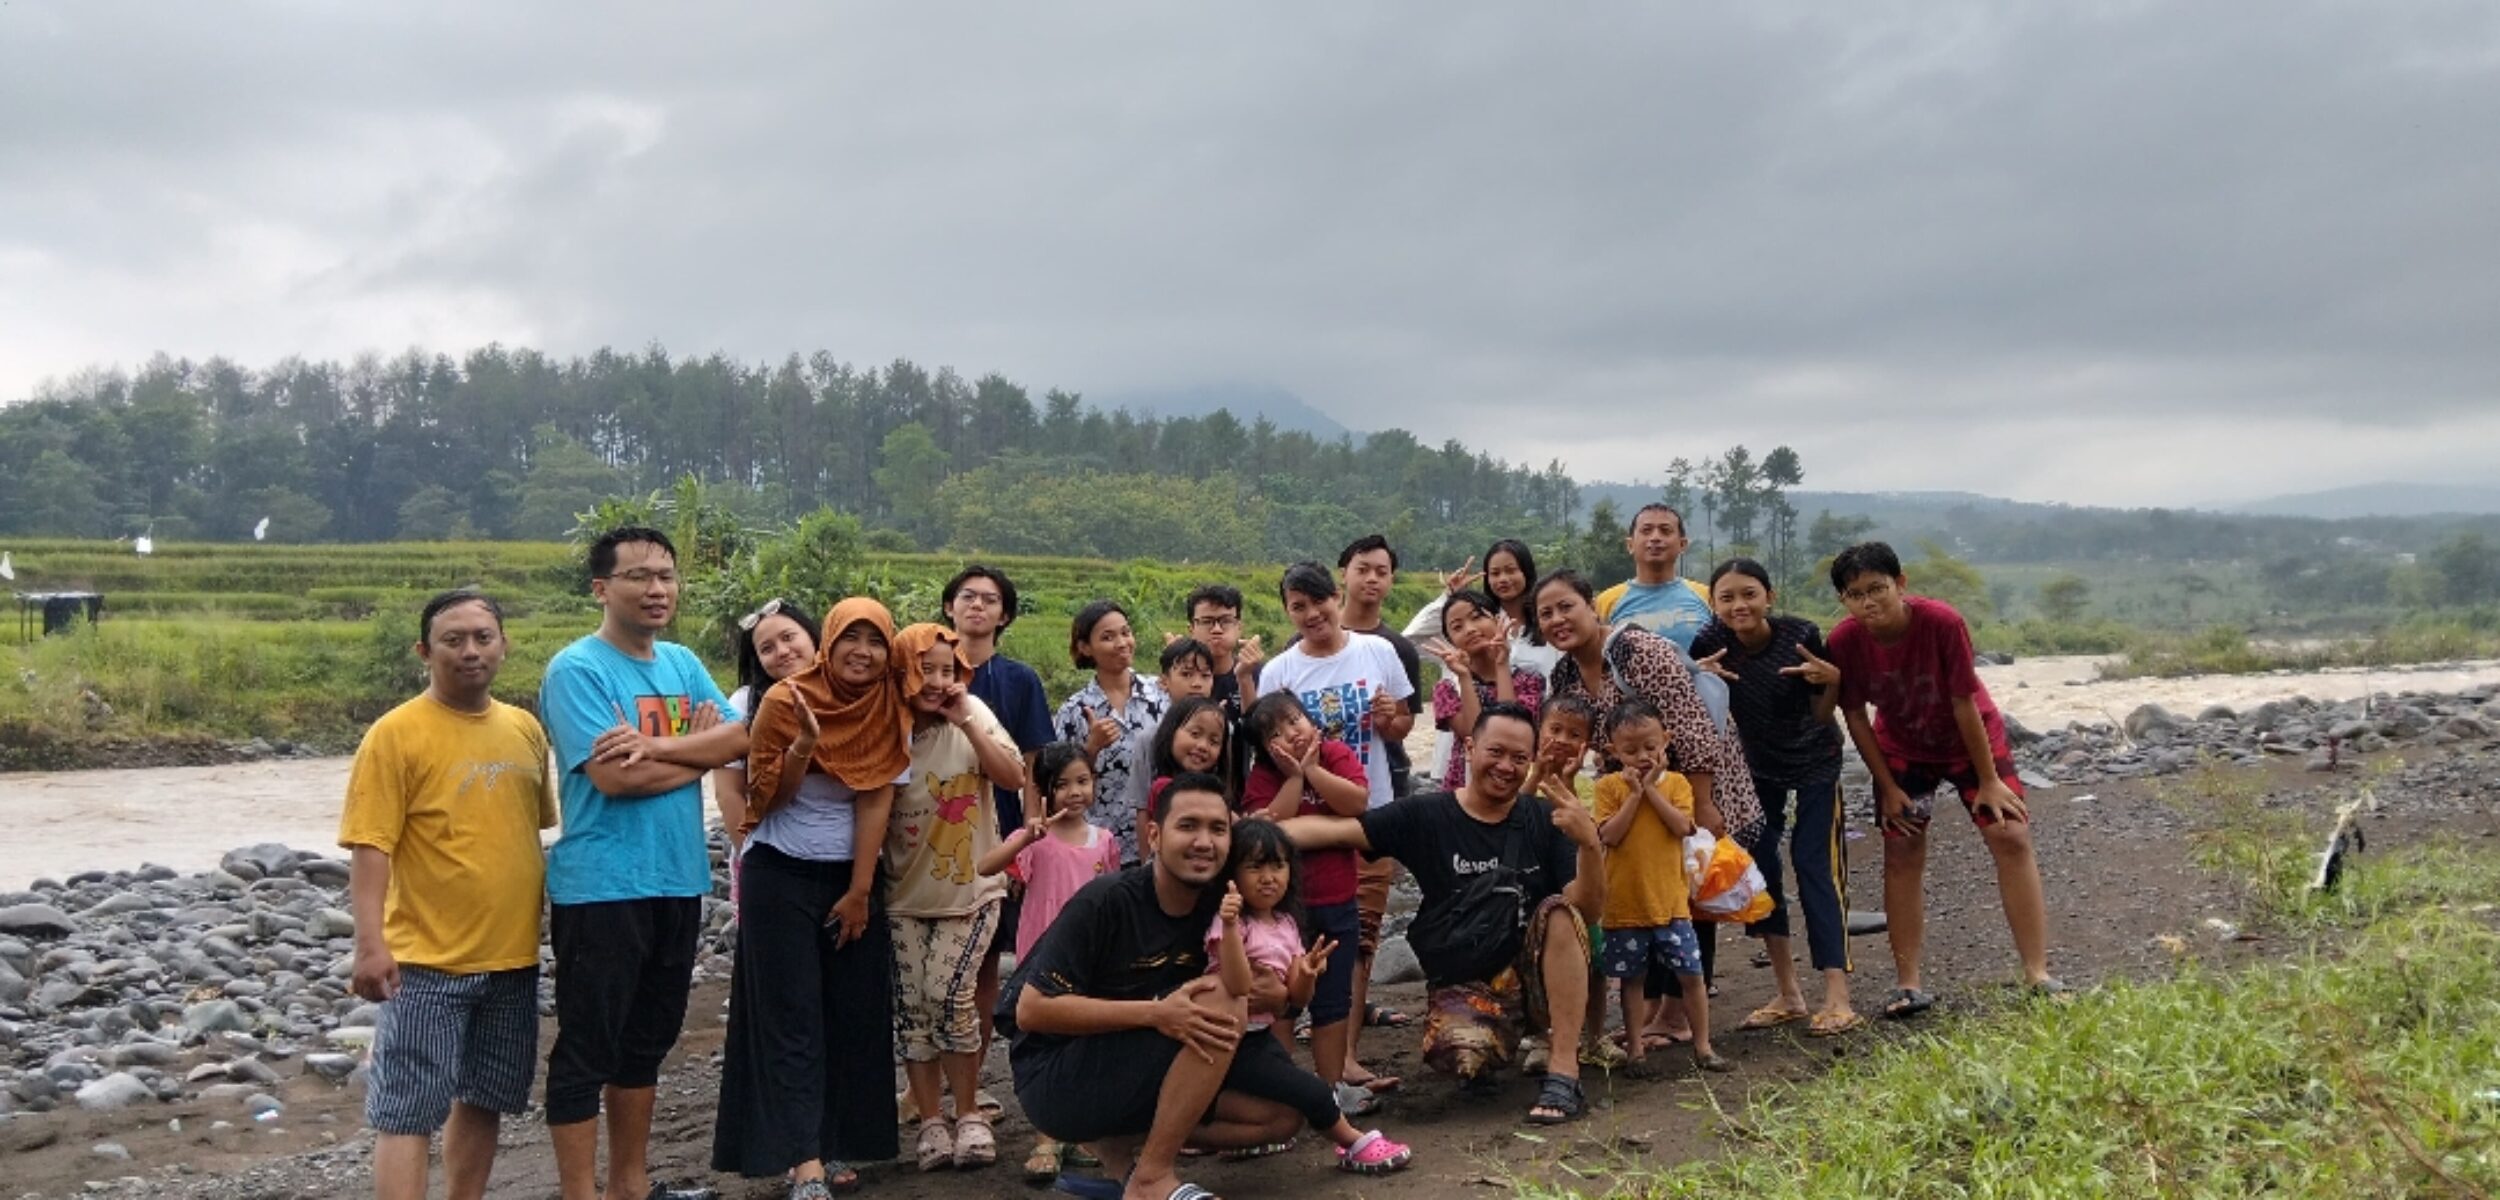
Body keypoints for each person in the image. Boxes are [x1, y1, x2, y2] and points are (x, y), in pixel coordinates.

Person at [1001, 774, 1345, 1200]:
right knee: (1221, 998)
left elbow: (1265, 993)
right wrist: (1157, 1011)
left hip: (1144, 1055)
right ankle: (1153, 1178)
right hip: (1055, 1075)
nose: (1204, 841)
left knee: (1280, 1115)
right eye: (1188, 826)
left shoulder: (1221, 909)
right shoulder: (1107, 901)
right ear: (1154, 834)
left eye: (1218, 829)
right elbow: (1032, 1012)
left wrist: (1283, 993)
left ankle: (1126, 1165)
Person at [537, 527, 750, 1200]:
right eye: (639, 576)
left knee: (646, 1041)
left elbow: (743, 736)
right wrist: (693, 751)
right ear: (602, 588)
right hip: (602, 885)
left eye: (666, 575)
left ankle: (631, 1185)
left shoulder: (682, 664)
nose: (657, 589)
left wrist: (655, 752)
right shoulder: (578, 670)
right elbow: (612, 780)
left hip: (678, 878)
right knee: (587, 1044)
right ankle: (580, 1192)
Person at [1280, 703, 1606, 1126]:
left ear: (1532, 761)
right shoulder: (1426, 814)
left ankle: (1564, 1068)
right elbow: (1335, 831)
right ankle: (1496, 1042)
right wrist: (1241, 834)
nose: (1506, 767)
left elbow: (1590, 912)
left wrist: (1590, 847)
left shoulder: (1545, 818)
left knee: (1561, 912)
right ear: (1469, 748)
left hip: (1541, 979)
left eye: (1519, 758)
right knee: (1461, 1056)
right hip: (1469, 981)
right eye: (1496, 752)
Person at [341, 590, 556, 1200]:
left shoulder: (525, 729)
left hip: (511, 959)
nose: (470, 652)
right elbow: (369, 846)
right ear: (424, 651)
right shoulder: (395, 734)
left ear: (504, 645)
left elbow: (530, 834)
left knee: (485, 1097)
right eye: (453, 640)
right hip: (426, 963)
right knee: (407, 1110)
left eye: (483, 638)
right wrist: (370, 946)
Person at [711, 599, 911, 1195]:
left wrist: (859, 890)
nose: (863, 652)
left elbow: (877, 796)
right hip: (780, 874)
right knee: (790, 1014)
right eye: (849, 639)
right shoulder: (773, 702)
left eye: (874, 641)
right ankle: (804, 1160)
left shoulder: (886, 701)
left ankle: (835, 1140)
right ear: (830, 643)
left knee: (850, 1012)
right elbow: (760, 802)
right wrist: (802, 746)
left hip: (850, 878)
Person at [1822, 542, 2062, 1015]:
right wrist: (1888, 788)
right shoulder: (1846, 640)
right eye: (1855, 594)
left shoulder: (1941, 622)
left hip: (1970, 742)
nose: (1869, 602)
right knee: (1903, 847)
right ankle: (1908, 984)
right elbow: (1854, 714)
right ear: (1843, 600)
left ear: (1901, 584)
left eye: (1878, 589)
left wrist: (1989, 780)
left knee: (2010, 836)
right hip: (1903, 747)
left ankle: (2037, 972)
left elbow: (1963, 703)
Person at [1533, 566, 1761, 1048]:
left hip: (1692, 785)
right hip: (1637, 797)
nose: (1557, 619)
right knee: (1650, 887)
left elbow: (1695, 726)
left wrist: (1701, 802)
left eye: (1566, 606)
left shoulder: (1642, 651)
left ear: (1592, 606)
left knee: (1691, 890)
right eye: (1546, 613)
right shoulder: (1565, 673)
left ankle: (1678, 1014)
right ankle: (1656, 1009)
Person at [1259, 559, 1418, 1082]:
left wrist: (1390, 716)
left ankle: (1344, 1059)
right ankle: (1287, 1068)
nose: (1311, 614)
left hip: (1366, 815)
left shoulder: (1378, 651)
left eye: (1317, 601)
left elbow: (1399, 727)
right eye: (1297, 607)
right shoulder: (1279, 671)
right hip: (1299, 828)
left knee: (1360, 938)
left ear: (1335, 597)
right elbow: (1265, 747)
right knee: (1288, 943)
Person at [1690, 558, 1859, 1036]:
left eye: (1749, 594)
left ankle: (1837, 996)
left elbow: (1824, 715)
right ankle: (1788, 992)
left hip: (1815, 762)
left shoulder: (1799, 634)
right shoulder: (1708, 643)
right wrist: (1695, 677)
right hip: (1754, 769)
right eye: (1727, 597)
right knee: (1761, 869)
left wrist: (1832, 683)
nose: (1739, 604)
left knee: (1815, 865)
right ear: (1714, 605)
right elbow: (1705, 709)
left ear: (1769, 597)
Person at [879, 623, 1026, 1171]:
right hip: (902, 895)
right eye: (927, 670)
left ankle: (968, 1114)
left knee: (950, 995)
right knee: (913, 1010)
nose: (940, 681)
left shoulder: (973, 714)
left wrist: (966, 719)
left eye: (949, 669)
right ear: (901, 675)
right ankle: (931, 1120)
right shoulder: (884, 729)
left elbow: (1011, 776)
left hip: (971, 890)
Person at [1206, 820, 1416, 1175]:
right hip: (1229, 1038)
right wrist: (1228, 928)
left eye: (1278, 865)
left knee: (1289, 1110)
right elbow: (1238, 985)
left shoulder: (1287, 923)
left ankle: (1206, 1138)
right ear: (1233, 874)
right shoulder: (1230, 923)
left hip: (1258, 1037)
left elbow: (1294, 1001)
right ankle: (1352, 1142)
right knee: (1314, 1092)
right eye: (1255, 867)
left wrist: (1306, 974)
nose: (1268, 877)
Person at [977, 741, 1122, 1184]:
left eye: (1083, 781)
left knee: (1083, 1044)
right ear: (1045, 792)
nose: (1075, 792)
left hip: (1091, 961)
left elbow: (1112, 901)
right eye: (1064, 785)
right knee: (1044, 1043)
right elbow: (986, 867)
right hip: (1042, 960)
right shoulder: (1037, 842)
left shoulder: (1107, 841)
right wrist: (1026, 833)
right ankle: (1045, 1137)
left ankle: (1076, 1133)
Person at [939, 565, 1057, 1098]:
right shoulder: (931, 675)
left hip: (1002, 830)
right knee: (936, 961)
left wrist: (1032, 831)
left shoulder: (1018, 680)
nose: (977, 607)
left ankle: (973, 1075)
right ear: (949, 607)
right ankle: (933, 1079)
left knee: (984, 958)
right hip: (938, 833)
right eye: (967, 597)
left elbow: (1034, 760)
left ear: (1004, 614)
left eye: (990, 600)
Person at [1240, 691, 1372, 1113]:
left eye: (1295, 721)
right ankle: (1286, 1091)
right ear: (1264, 749)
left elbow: (1356, 804)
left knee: (1333, 1001)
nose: (1291, 734)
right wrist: (1295, 779)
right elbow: (1269, 831)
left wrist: (1313, 770)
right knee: (1284, 1001)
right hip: (1284, 913)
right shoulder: (1264, 775)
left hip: (1338, 901)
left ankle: (1330, 1089)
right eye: (1276, 733)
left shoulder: (1334, 753)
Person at [1592, 698, 1730, 1075]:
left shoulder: (1678, 784)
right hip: (1624, 906)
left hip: (1671, 904)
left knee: (1692, 976)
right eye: (1631, 750)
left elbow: (1683, 827)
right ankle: (1635, 1049)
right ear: (1612, 751)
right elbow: (1609, 835)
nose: (1642, 757)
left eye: (1650, 747)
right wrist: (1635, 794)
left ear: (1665, 741)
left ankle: (1703, 1045)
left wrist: (1651, 790)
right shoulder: (1608, 788)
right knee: (1632, 980)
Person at [713, 596, 822, 899]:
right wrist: (750, 857)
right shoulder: (745, 703)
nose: (782, 652)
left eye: (788, 638)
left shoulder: (850, 696)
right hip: (769, 861)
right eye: (767, 649)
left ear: (812, 636)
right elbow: (728, 791)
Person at [1053, 600, 1168, 865]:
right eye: (1108, 637)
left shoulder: (1161, 695)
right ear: (1085, 647)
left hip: (1156, 839)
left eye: (1126, 633)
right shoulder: (1074, 710)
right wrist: (1091, 748)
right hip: (1098, 847)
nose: (1121, 643)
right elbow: (1059, 781)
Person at [1424, 587, 1547, 789]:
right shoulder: (1448, 688)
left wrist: (1501, 665)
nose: (1470, 629)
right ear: (1451, 641)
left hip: (1514, 782)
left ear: (1498, 619)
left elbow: (1510, 730)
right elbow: (1474, 734)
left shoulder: (1529, 680)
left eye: (1477, 617)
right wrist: (1464, 676)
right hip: (1465, 786)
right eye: (1457, 627)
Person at [1402, 538, 1561, 681]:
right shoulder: (1474, 629)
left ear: (1526, 571)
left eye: (1511, 570)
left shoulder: (1548, 625)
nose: (1503, 579)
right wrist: (1450, 599)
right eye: (1495, 573)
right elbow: (1409, 641)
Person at [1184, 583, 1266, 706]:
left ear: (1239, 628)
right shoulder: (1180, 677)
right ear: (1191, 629)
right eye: (1207, 622)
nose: (1217, 630)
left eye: (1226, 621)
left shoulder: (1261, 675)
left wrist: (1245, 678)